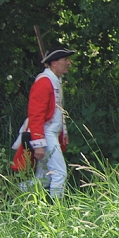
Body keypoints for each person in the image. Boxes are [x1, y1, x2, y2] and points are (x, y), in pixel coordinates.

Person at [12, 46, 75, 199]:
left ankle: (11, 193)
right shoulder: (44, 82)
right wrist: (38, 143)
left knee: (44, 178)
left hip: (50, 133)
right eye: (65, 60)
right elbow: (35, 115)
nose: (69, 63)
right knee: (59, 173)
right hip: (44, 133)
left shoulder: (54, 81)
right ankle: (57, 212)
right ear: (54, 63)